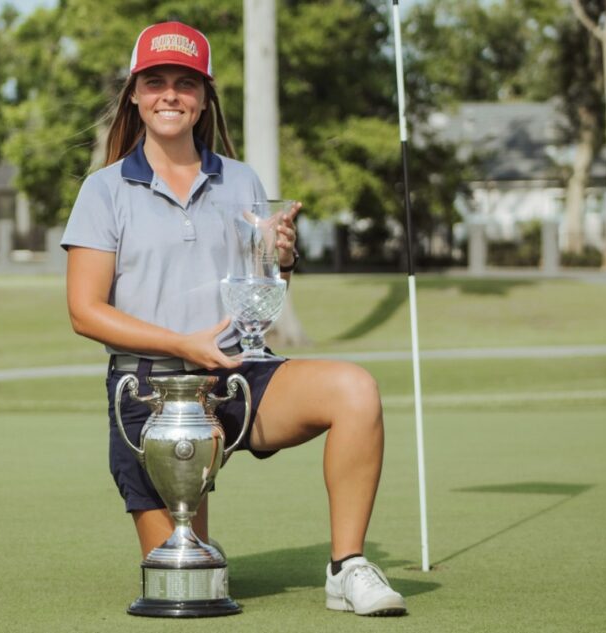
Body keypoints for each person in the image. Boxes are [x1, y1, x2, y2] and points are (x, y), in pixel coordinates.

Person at [62, 21, 406, 617]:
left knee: (356, 390)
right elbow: (84, 312)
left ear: (203, 98)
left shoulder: (240, 179)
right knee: (193, 578)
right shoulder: (104, 190)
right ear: (136, 96)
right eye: (156, 82)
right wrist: (183, 345)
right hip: (150, 391)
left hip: (243, 374)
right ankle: (196, 548)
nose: (170, 95)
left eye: (185, 83)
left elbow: (262, 287)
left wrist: (283, 256)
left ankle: (347, 567)